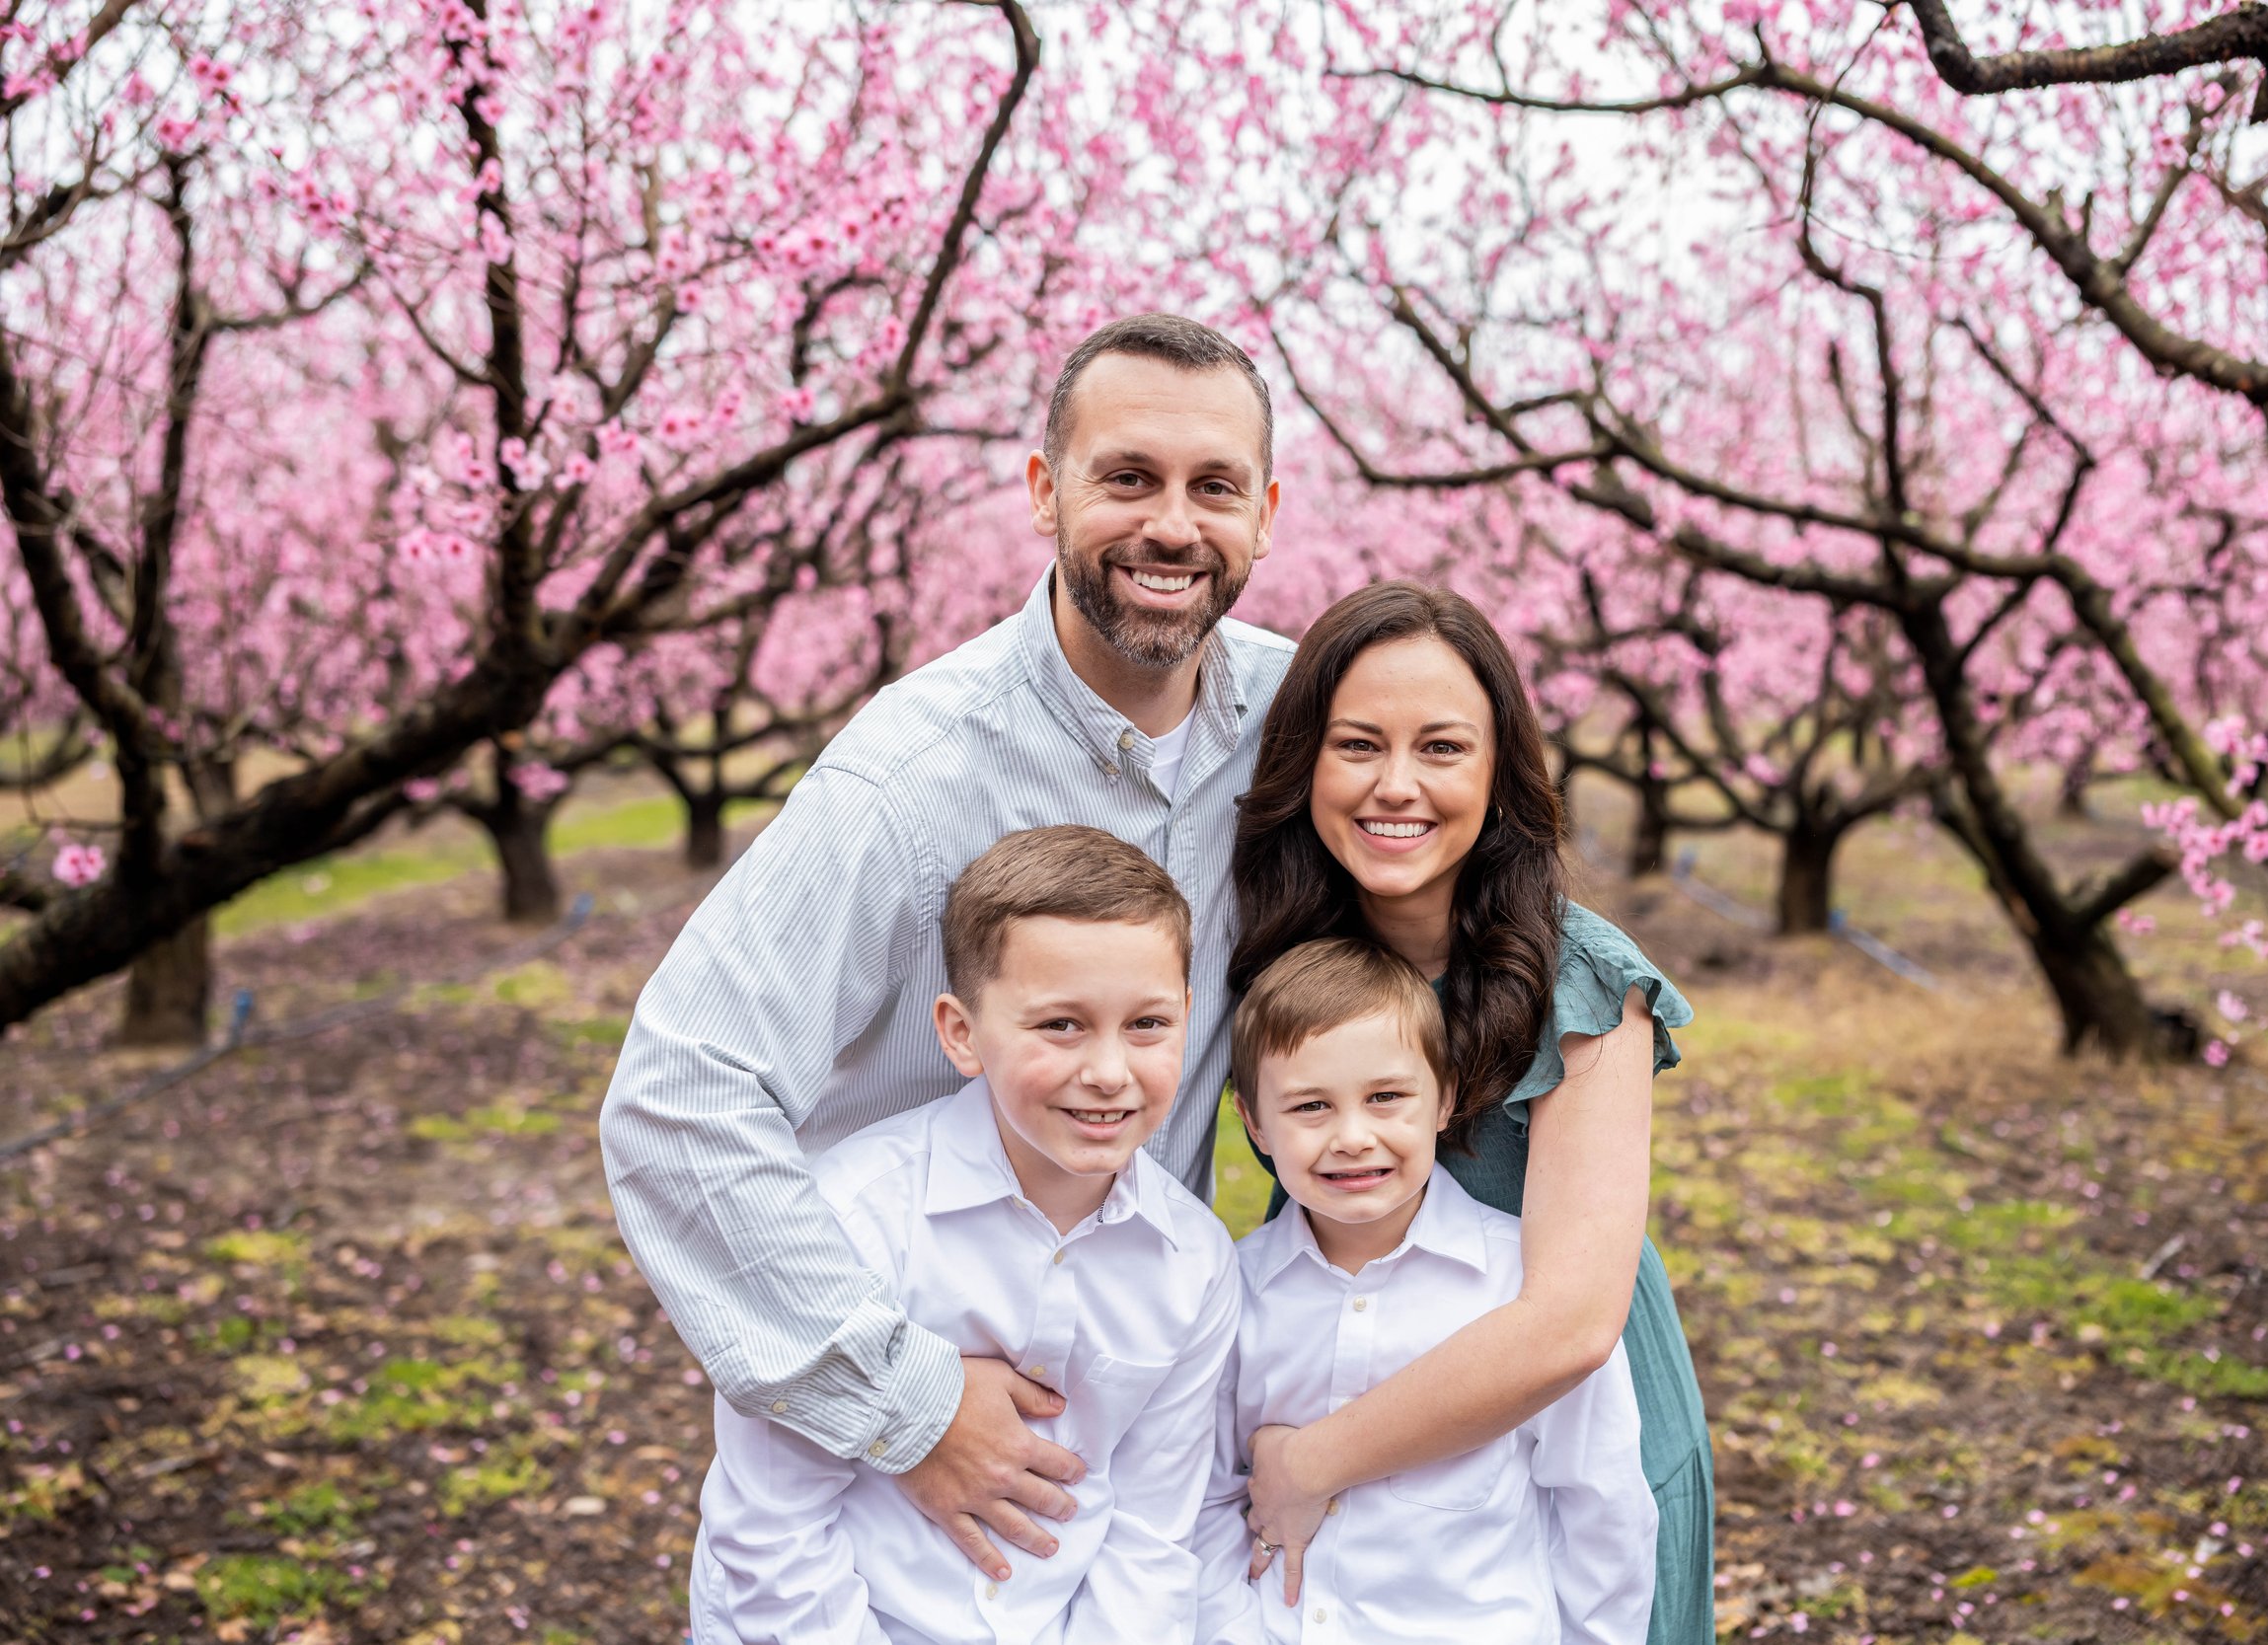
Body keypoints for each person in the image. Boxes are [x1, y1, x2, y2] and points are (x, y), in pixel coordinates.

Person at [602, 314, 1287, 1584]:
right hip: (886, 1457)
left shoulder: (1297, 730)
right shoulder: (908, 780)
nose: (1172, 527)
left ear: (1265, 511)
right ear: (1044, 490)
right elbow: (679, 1093)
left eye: (1214, 488)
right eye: (1126, 477)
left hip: (1141, 1391)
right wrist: (903, 1400)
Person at [1229, 582, 1715, 1643]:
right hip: (1342, 1380)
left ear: (1498, 772)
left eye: (1442, 748)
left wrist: (1310, 1459)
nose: (1395, 785)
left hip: (1563, 1440)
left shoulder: (1583, 981)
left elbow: (1572, 1325)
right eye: (1357, 744)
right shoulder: (1280, 956)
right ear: (1303, 760)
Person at [691, 826, 1240, 1644]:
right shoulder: (853, 1219)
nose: (1109, 1070)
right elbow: (772, 1529)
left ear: (1189, 1018)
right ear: (959, 1032)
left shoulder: (1194, 1262)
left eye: (1148, 1024)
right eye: (1061, 1024)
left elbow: (1152, 1537)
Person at [1197, 937, 1657, 1644]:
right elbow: (1201, 1498)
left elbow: (1601, 1507)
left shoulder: (1518, 1288)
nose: (1353, 1136)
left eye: (1386, 1098)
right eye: (1310, 1106)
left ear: (1443, 1096)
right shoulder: (1228, 1292)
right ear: (1253, 1121)